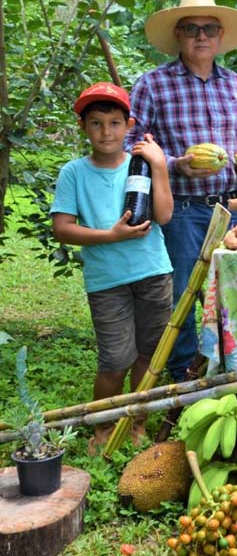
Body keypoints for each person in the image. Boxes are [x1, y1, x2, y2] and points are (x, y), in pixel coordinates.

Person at [126, 0, 237, 381]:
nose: (201, 36)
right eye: (191, 29)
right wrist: (174, 165)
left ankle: (229, 362)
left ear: (220, 36)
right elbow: (129, 145)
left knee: (235, 288)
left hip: (232, 208)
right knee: (181, 293)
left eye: (209, 29)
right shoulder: (153, 84)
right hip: (182, 209)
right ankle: (183, 369)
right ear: (179, 36)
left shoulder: (236, 84)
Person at [52, 83, 174, 453]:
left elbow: (164, 215)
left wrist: (161, 166)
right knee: (114, 360)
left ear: (129, 124)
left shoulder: (143, 164)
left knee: (148, 356)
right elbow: (63, 228)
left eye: (115, 123)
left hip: (153, 271)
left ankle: (136, 422)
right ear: (82, 127)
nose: (106, 132)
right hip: (107, 281)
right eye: (96, 123)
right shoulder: (74, 172)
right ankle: (103, 427)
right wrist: (111, 234)